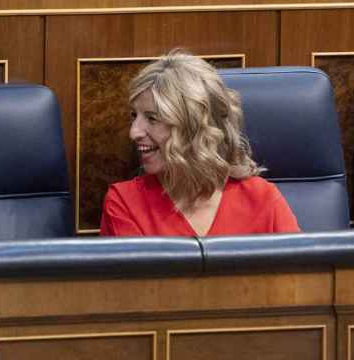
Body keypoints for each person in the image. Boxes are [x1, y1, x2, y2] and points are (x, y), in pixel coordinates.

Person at [100, 49, 299, 237]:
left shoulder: (261, 198)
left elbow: (301, 272)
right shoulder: (125, 203)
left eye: (152, 118)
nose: (134, 132)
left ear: (194, 127)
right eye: (134, 116)